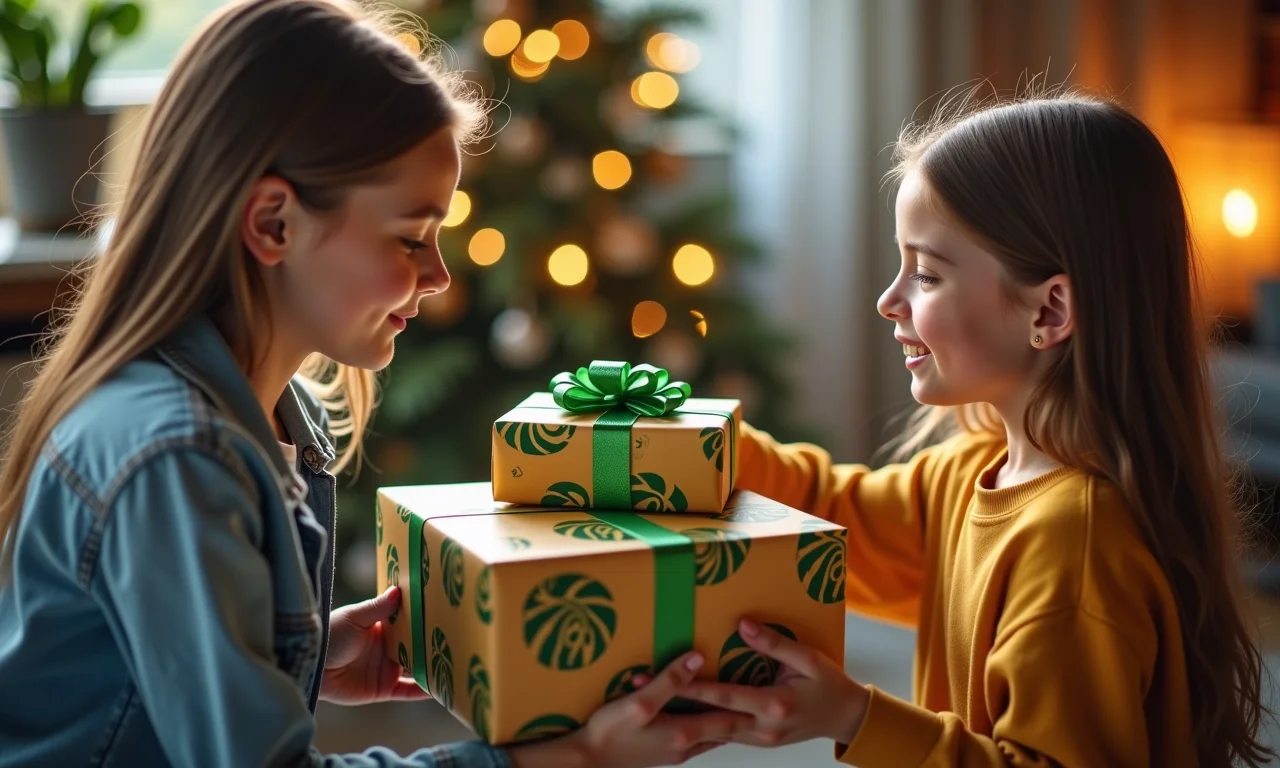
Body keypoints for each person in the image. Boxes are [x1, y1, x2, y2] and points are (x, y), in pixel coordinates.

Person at [0, 1, 750, 766]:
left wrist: (308, 651)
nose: (437, 276)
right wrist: (568, 758)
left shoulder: (265, 421)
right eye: (410, 237)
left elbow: (148, 663)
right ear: (273, 224)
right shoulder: (176, 456)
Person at [679, 93, 1274, 767]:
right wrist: (689, 443)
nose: (888, 299)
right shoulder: (972, 473)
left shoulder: (1072, 545)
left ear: (1049, 311)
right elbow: (832, 519)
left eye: (926, 273)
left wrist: (856, 715)